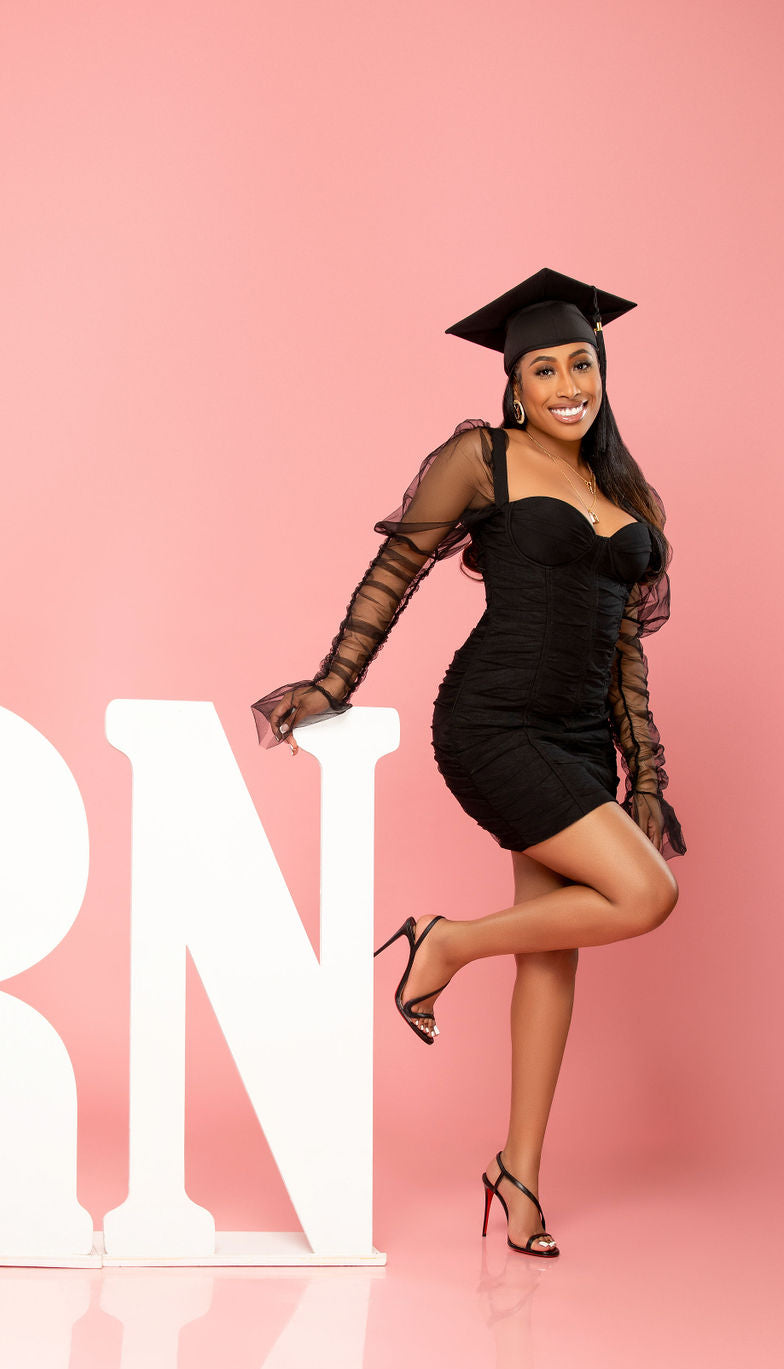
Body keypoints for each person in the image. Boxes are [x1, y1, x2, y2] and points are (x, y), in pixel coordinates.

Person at [250, 268, 686, 1259]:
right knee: (643, 896)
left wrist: (645, 779)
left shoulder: (626, 492)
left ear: (600, 370)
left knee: (552, 950)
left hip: (580, 737)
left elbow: (625, 652)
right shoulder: (481, 459)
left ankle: (517, 1174)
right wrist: (333, 683)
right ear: (514, 385)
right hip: (493, 723)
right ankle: (439, 943)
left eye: (583, 363)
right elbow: (395, 568)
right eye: (545, 369)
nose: (568, 383)